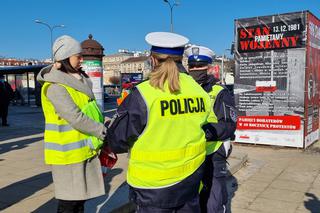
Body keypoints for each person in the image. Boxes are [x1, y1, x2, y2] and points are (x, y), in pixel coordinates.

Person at [104, 32, 211, 212]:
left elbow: (117, 142)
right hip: (191, 180)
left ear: (153, 60)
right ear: (181, 58)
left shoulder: (144, 93)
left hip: (153, 189)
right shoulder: (198, 90)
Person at [37, 35, 106, 213]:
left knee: (79, 201)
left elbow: (89, 110)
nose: (81, 59)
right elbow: (75, 117)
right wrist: (102, 131)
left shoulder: (79, 81)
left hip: (83, 149)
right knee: (69, 204)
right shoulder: (55, 86)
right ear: (65, 58)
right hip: (66, 154)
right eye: (78, 56)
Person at [185, 45, 237, 213]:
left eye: (199, 66)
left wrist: (202, 133)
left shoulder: (219, 92)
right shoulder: (182, 90)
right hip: (188, 155)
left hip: (212, 154)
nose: (195, 70)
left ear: (208, 67)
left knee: (213, 204)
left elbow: (229, 126)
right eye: (191, 66)